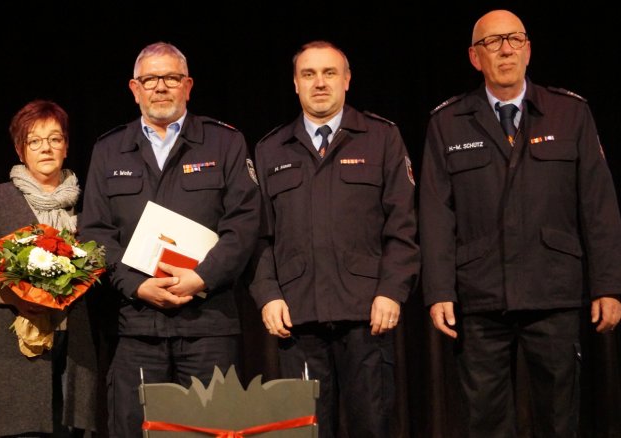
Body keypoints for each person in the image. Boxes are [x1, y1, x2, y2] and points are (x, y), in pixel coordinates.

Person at [420, 9, 621, 437]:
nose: (505, 49)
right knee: (486, 421)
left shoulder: (569, 113)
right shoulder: (447, 122)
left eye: (514, 39)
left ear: (528, 50)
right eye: (492, 42)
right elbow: (436, 214)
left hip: (554, 290)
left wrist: (607, 285)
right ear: (475, 57)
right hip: (480, 296)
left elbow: (598, 206)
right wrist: (439, 290)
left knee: (559, 418)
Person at [78, 42, 261, 437]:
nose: (160, 87)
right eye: (150, 79)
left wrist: (202, 277)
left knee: (213, 431)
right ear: (135, 89)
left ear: (188, 86)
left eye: (171, 78)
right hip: (135, 326)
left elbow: (244, 224)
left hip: (208, 324)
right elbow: (95, 232)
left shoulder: (225, 142)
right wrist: (135, 285)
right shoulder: (109, 150)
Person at [250, 41, 419, 437]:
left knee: (372, 427)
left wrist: (392, 291)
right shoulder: (271, 148)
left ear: (347, 80)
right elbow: (258, 237)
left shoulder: (381, 137)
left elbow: (403, 225)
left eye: (329, 73)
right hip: (297, 318)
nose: (320, 83)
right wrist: (268, 295)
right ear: (295, 84)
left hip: (367, 315)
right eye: (308, 74)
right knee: (305, 432)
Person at [0, 100, 98, 437]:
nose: (46, 148)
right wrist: (9, 293)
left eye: (55, 139)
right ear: (20, 150)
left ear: (66, 146)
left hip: (77, 349)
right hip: (13, 352)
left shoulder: (88, 204)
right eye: (34, 141)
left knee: (73, 430)